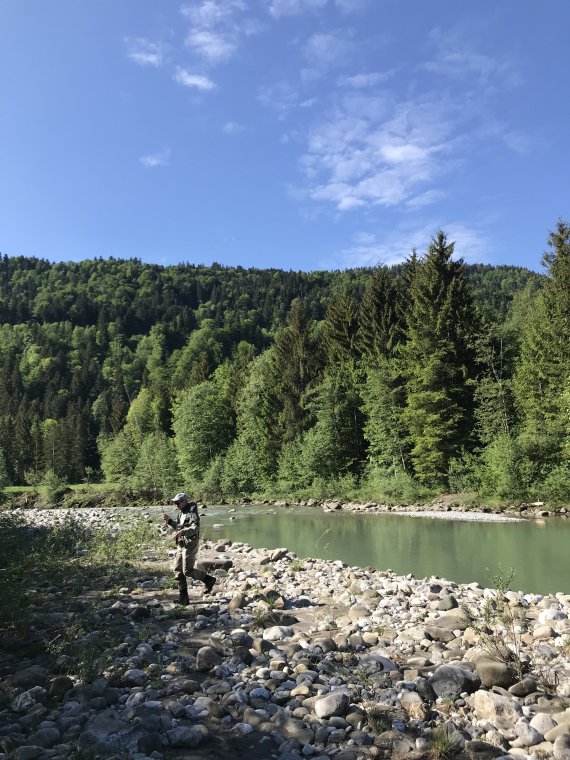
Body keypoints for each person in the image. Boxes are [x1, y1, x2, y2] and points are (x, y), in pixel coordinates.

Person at [162, 492, 216, 605]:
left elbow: (195, 528)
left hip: (190, 544)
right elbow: (178, 526)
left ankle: (209, 580)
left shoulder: (192, 513)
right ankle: (184, 599)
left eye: (178, 502)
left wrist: (183, 532)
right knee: (177, 570)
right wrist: (170, 521)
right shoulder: (181, 513)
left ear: (184, 501)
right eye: (175, 503)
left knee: (187, 571)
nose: (176, 505)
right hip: (181, 544)